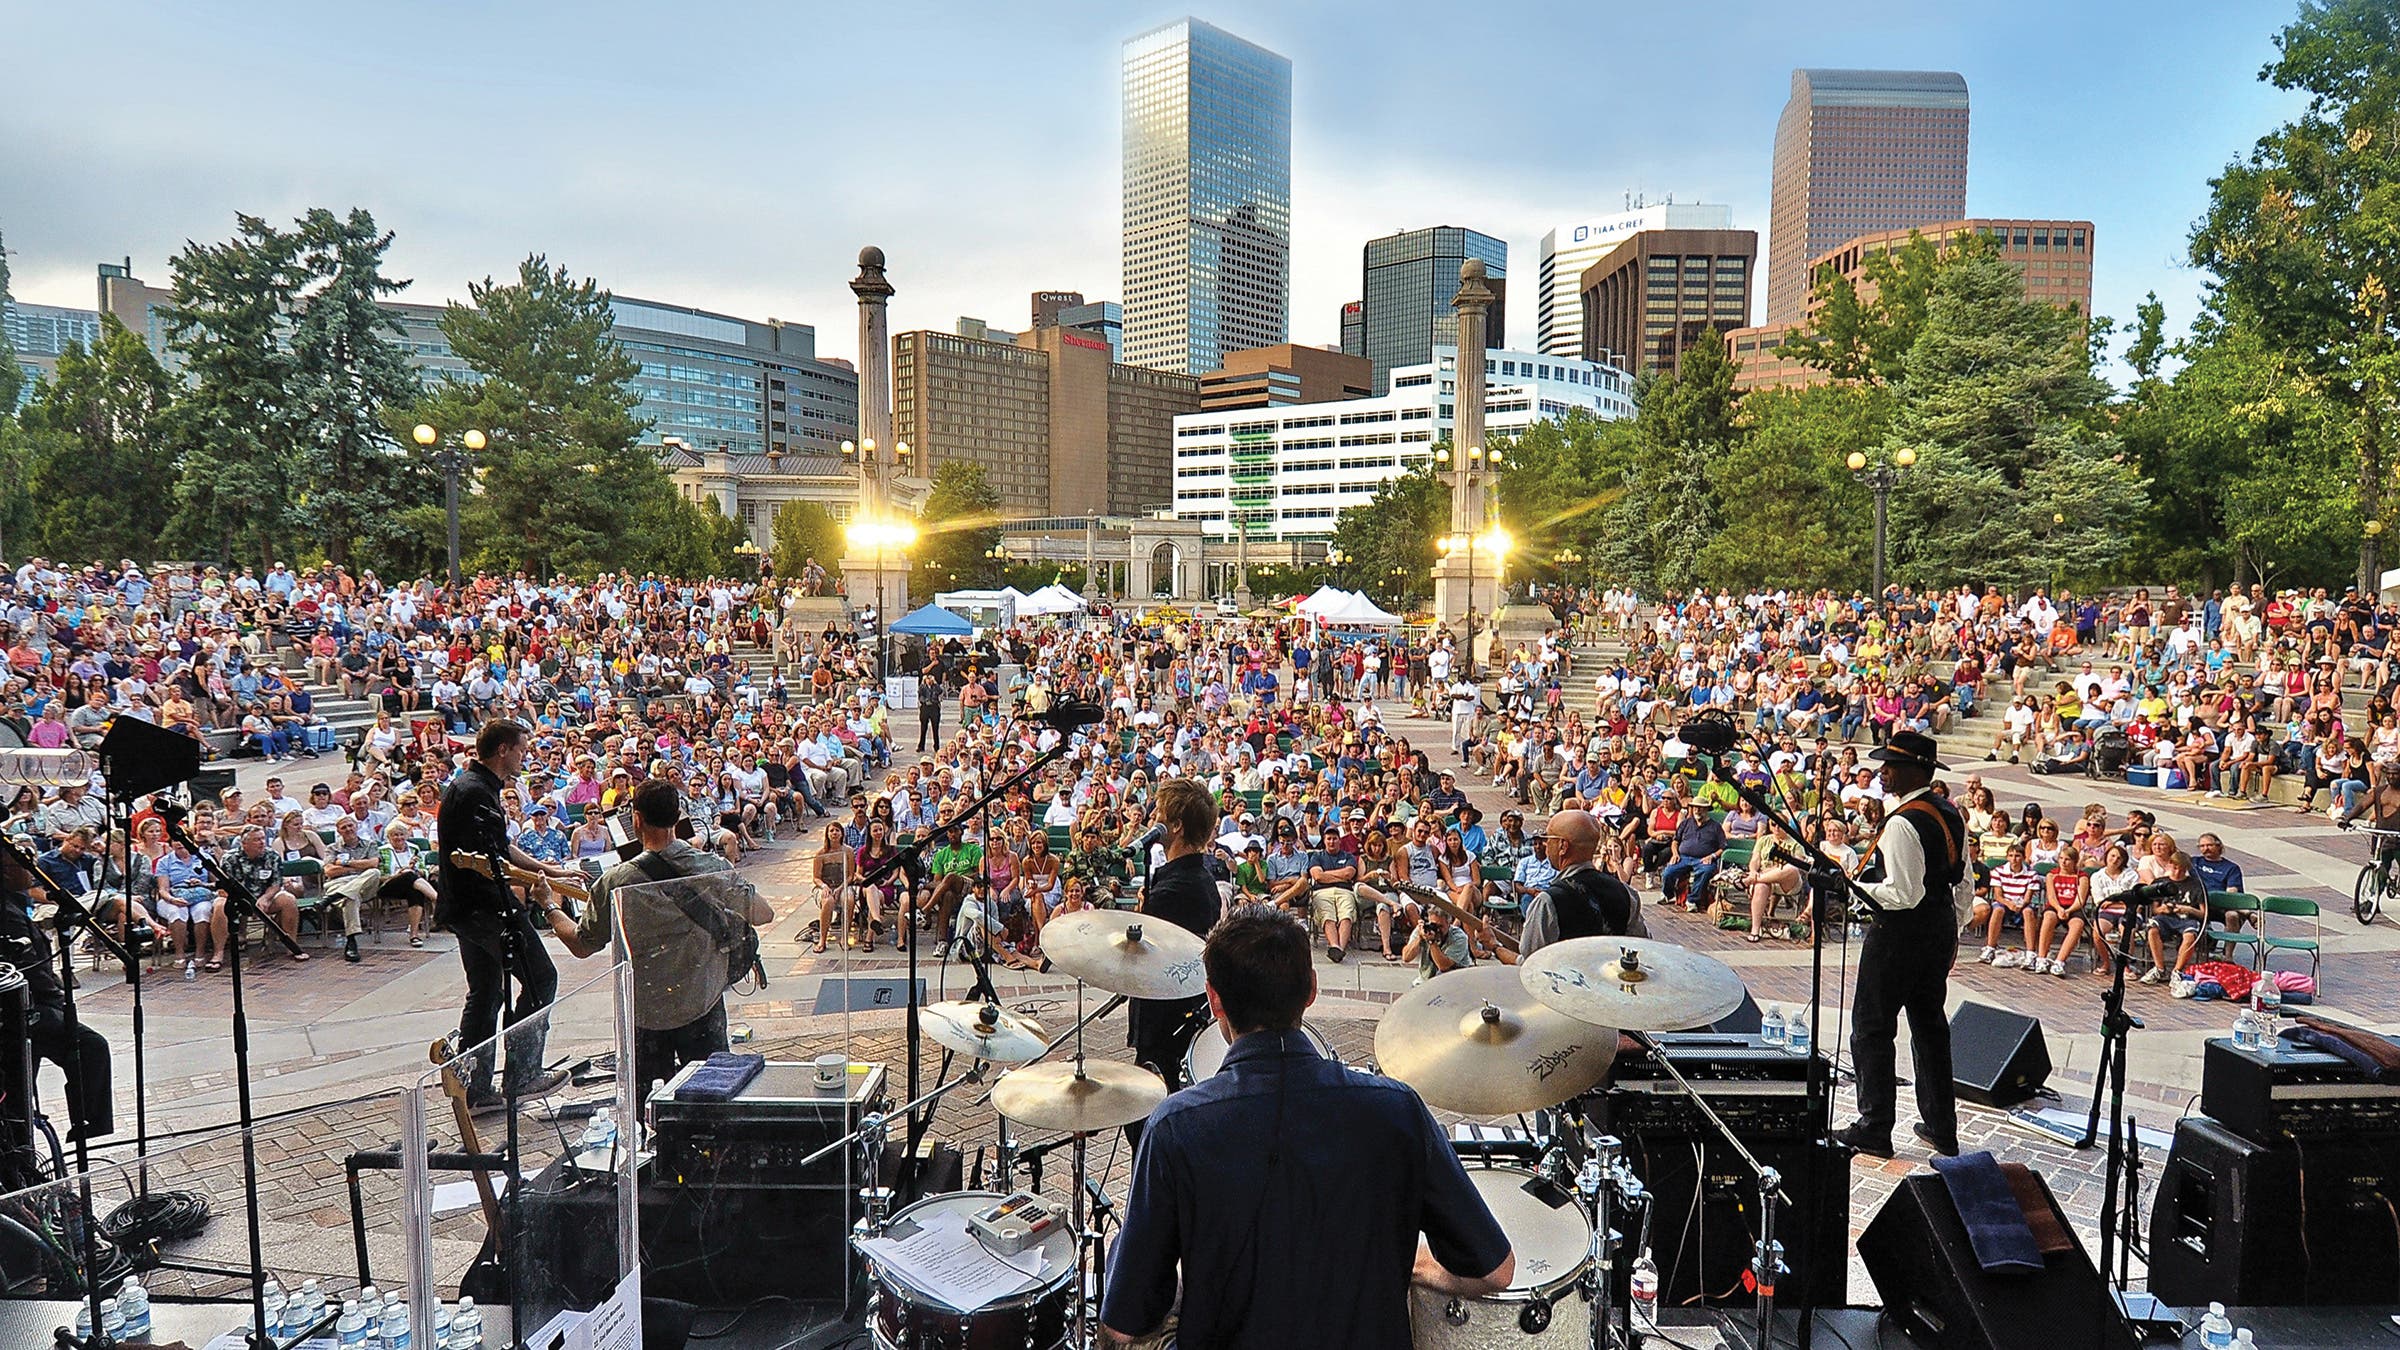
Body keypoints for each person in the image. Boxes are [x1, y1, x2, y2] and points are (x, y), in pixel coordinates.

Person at [1101, 904, 1513, 1348]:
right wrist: (1414, 1265)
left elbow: (1126, 1323)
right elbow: (1496, 1270)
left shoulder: (1175, 1127)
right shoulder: (1398, 1109)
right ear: (1312, 989)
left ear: (1214, 998)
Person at [545, 779, 775, 1092]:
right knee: (712, 1095)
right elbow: (763, 913)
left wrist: (549, 907)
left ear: (635, 819)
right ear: (678, 815)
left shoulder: (615, 881)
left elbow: (583, 945)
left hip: (646, 1013)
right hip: (702, 1003)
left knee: (647, 1107)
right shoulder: (709, 866)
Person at [1837, 730, 1973, 1160]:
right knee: (1930, 1027)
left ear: (1914, 770)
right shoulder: (1949, 812)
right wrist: (1952, 928)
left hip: (1897, 935)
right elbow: (1964, 881)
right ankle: (1940, 1127)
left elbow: (1902, 893)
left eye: (1889, 765)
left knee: (1872, 1028)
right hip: (1937, 930)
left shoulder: (1901, 823)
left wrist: (1852, 887)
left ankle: (1875, 1127)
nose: (1881, 771)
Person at [438, 720, 580, 1110]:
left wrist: (551, 871)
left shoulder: (476, 787)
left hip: (468, 907)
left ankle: (476, 1090)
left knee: (486, 991)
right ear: (502, 750)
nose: (525, 756)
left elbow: (502, 847)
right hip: (485, 905)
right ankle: (522, 1075)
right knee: (540, 977)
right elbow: (490, 861)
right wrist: (545, 885)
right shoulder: (473, 793)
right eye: (521, 749)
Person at [0, 849, 113, 1142]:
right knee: (91, 1047)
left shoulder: (14, 903)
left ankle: (23, 1146)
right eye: (24, 865)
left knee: (19, 1089)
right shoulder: (6, 913)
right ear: (5, 871)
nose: (32, 870)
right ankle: (89, 1120)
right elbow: (29, 969)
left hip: (30, 1006)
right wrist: (57, 999)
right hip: (27, 1009)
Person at [1127, 778, 1223, 1091]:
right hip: (1178, 1018)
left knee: (1148, 1112)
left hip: (1164, 1023)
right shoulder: (1198, 878)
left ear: (1176, 826)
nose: (1153, 818)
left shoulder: (1174, 891)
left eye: (1160, 813)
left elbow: (1143, 959)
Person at [1518, 809, 1645, 957]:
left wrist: (1496, 947)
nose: (1546, 845)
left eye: (1548, 838)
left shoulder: (1547, 902)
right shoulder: (1627, 894)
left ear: (1562, 846)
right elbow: (1641, 945)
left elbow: (1530, 961)